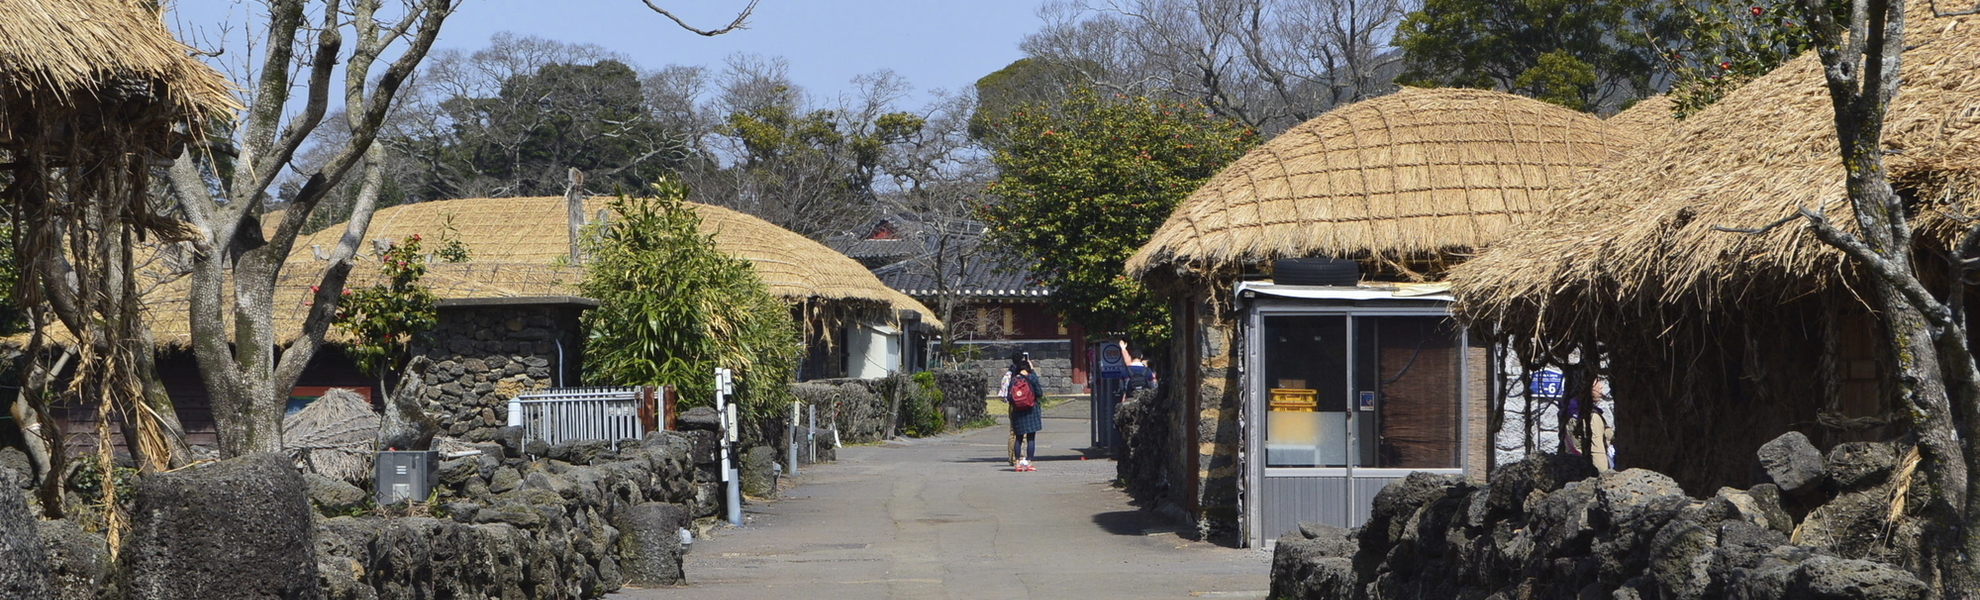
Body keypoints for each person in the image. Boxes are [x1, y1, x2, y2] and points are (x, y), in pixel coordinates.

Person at [1006, 352, 1045, 471]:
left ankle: (1017, 463)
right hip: (1031, 410)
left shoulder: (1014, 380)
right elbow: (1039, 393)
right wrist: (1032, 371)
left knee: (1018, 438)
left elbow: (1009, 397)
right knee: (1031, 438)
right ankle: (1029, 463)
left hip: (1018, 412)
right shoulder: (1032, 377)